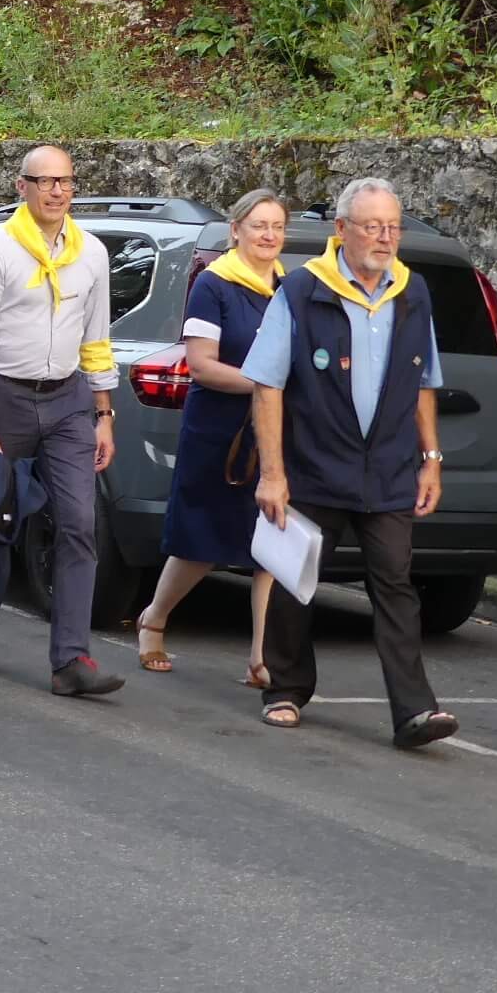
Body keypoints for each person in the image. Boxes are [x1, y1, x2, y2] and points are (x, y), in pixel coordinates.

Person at [244, 177, 459, 750]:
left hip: (387, 470)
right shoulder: (301, 292)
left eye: (393, 227)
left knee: (395, 585)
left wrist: (431, 459)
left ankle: (415, 711)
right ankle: (285, 689)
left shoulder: (413, 294)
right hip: (313, 463)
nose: (385, 238)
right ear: (341, 230)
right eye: (373, 226)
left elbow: (423, 384)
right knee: (295, 580)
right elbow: (266, 385)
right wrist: (272, 473)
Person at [0, 145, 123, 696]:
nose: (56, 191)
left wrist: (103, 414)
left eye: (65, 182)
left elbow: (97, 339)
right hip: (4, 395)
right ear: (21, 186)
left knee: (78, 522)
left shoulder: (92, 252)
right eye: (44, 181)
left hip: (68, 400)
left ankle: (71, 658)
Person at [134, 189, 286, 682]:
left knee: (272, 546)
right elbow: (201, 366)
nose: (268, 235)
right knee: (201, 543)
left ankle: (263, 657)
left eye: (276, 227)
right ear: (236, 230)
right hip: (219, 432)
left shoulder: (287, 287)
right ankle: (154, 618)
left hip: (271, 433)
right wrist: (265, 386)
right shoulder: (214, 285)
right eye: (258, 225)